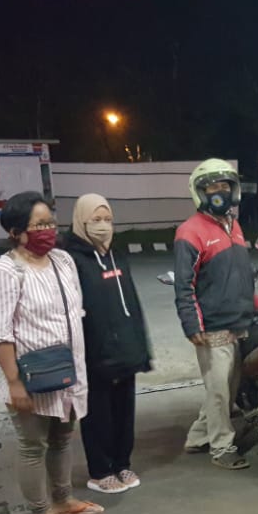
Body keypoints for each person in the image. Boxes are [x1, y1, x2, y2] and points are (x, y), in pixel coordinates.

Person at [0, 191, 104, 514]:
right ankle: (41, 513)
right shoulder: (5, 272)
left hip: (65, 370)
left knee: (63, 438)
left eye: (50, 222)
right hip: (28, 375)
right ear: (15, 231)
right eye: (39, 225)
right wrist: (14, 383)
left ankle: (62, 499)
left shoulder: (62, 261)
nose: (48, 230)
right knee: (33, 445)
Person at [63, 193, 152, 494]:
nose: (103, 226)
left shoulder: (117, 255)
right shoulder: (71, 260)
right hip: (94, 353)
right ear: (81, 221)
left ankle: (122, 463)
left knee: (124, 412)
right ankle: (101, 471)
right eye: (96, 220)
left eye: (108, 220)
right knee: (98, 414)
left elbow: (132, 304)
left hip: (124, 350)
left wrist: (139, 348)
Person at [175, 159, 258, 470]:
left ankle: (198, 437)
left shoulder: (233, 225)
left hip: (238, 320)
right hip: (211, 325)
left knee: (227, 388)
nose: (219, 192)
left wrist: (254, 301)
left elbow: (240, 271)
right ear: (200, 192)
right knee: (220, 391)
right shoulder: (190, 232)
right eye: (212, 187)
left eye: (225, 186)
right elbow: (184, 284)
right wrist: (191, 323)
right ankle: (222, 448)